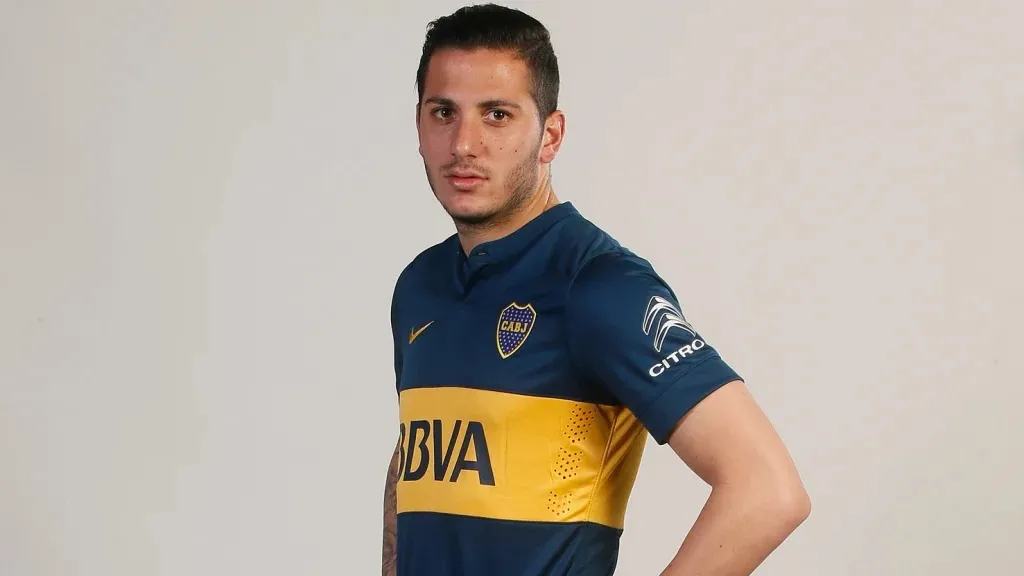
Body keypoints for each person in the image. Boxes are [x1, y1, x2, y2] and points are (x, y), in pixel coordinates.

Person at [381, 4, 810, 575]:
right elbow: (414, 464)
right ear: (418, 126)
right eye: (444, 112)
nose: (464, 143)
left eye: (497, 115)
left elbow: (768, 490)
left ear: (550, 135)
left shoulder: (599, 285)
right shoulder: (420, 285)